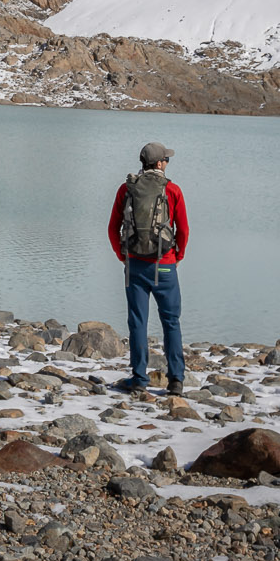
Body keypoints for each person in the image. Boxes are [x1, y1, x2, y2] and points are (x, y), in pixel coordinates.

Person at [109, 140, 190, 396]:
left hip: (135, 267)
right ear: (159, 164)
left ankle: (139, 378)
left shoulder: (126, 189)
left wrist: (124, 257)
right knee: (171, 323)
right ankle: (175, 381)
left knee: (138, 322)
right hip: (164, 266)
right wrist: (178, 255)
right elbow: (183, 230)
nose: (167, 162)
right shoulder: (173, 190)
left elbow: (113, 228)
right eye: (166, 159)